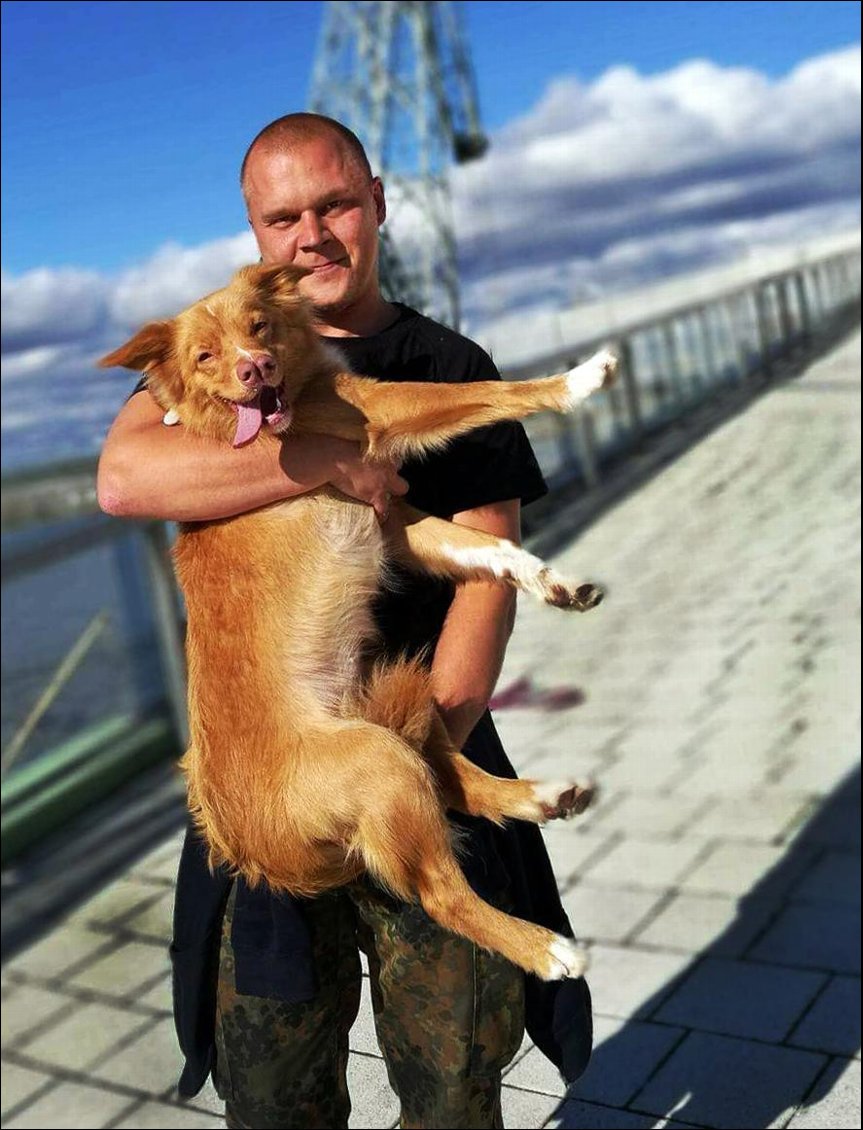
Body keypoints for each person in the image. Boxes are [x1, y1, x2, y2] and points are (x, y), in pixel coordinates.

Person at [98, 112, 592, 1130]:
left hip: (424, 741)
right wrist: (321, 459)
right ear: (254, 232)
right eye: (283, 217)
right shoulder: (201, 357)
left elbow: (484, 574)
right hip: (269, 760)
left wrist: (430, 754)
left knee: (452, 1080)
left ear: (375, 204)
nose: (311, 234)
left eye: (333, 204)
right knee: (274, 1091)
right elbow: (121, 476)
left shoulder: (448, 362)